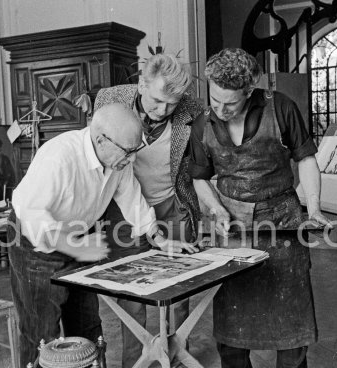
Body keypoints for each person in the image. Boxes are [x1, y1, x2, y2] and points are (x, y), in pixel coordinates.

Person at [8, 103, 196, 367]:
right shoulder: (59, 157)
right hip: (34, 243)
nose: (132, 159)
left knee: (87, 326)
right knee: (42, 334)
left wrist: (158, 237)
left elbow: (132, 198)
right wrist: (76, 248)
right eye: (128, 152)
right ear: (100, 140)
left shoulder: (118, 159)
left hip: (78, 238)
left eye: (136, 150)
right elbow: (32, 218)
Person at [188, 48, 332, 368]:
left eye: (231, 102)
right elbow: (199, 178)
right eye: (215, 99)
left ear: (249, 91)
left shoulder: (279, 107)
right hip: (233, 230)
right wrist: (218, 210)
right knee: (232, 328)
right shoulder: (202, 123)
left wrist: (316, 208)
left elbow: (306, 158)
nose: (221, 109)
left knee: (291, 323)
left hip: (282, 220)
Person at [94, 53, 203, 367]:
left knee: (179, 292)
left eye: (172, 103)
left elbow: (200, 163)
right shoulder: (110, 100)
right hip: (123, 213)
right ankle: (135, 363)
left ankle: (176, 360)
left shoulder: (192, 109)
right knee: (132, 296)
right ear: (141, 83)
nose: (163, 111)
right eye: (156, 101)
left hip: (172, 206)